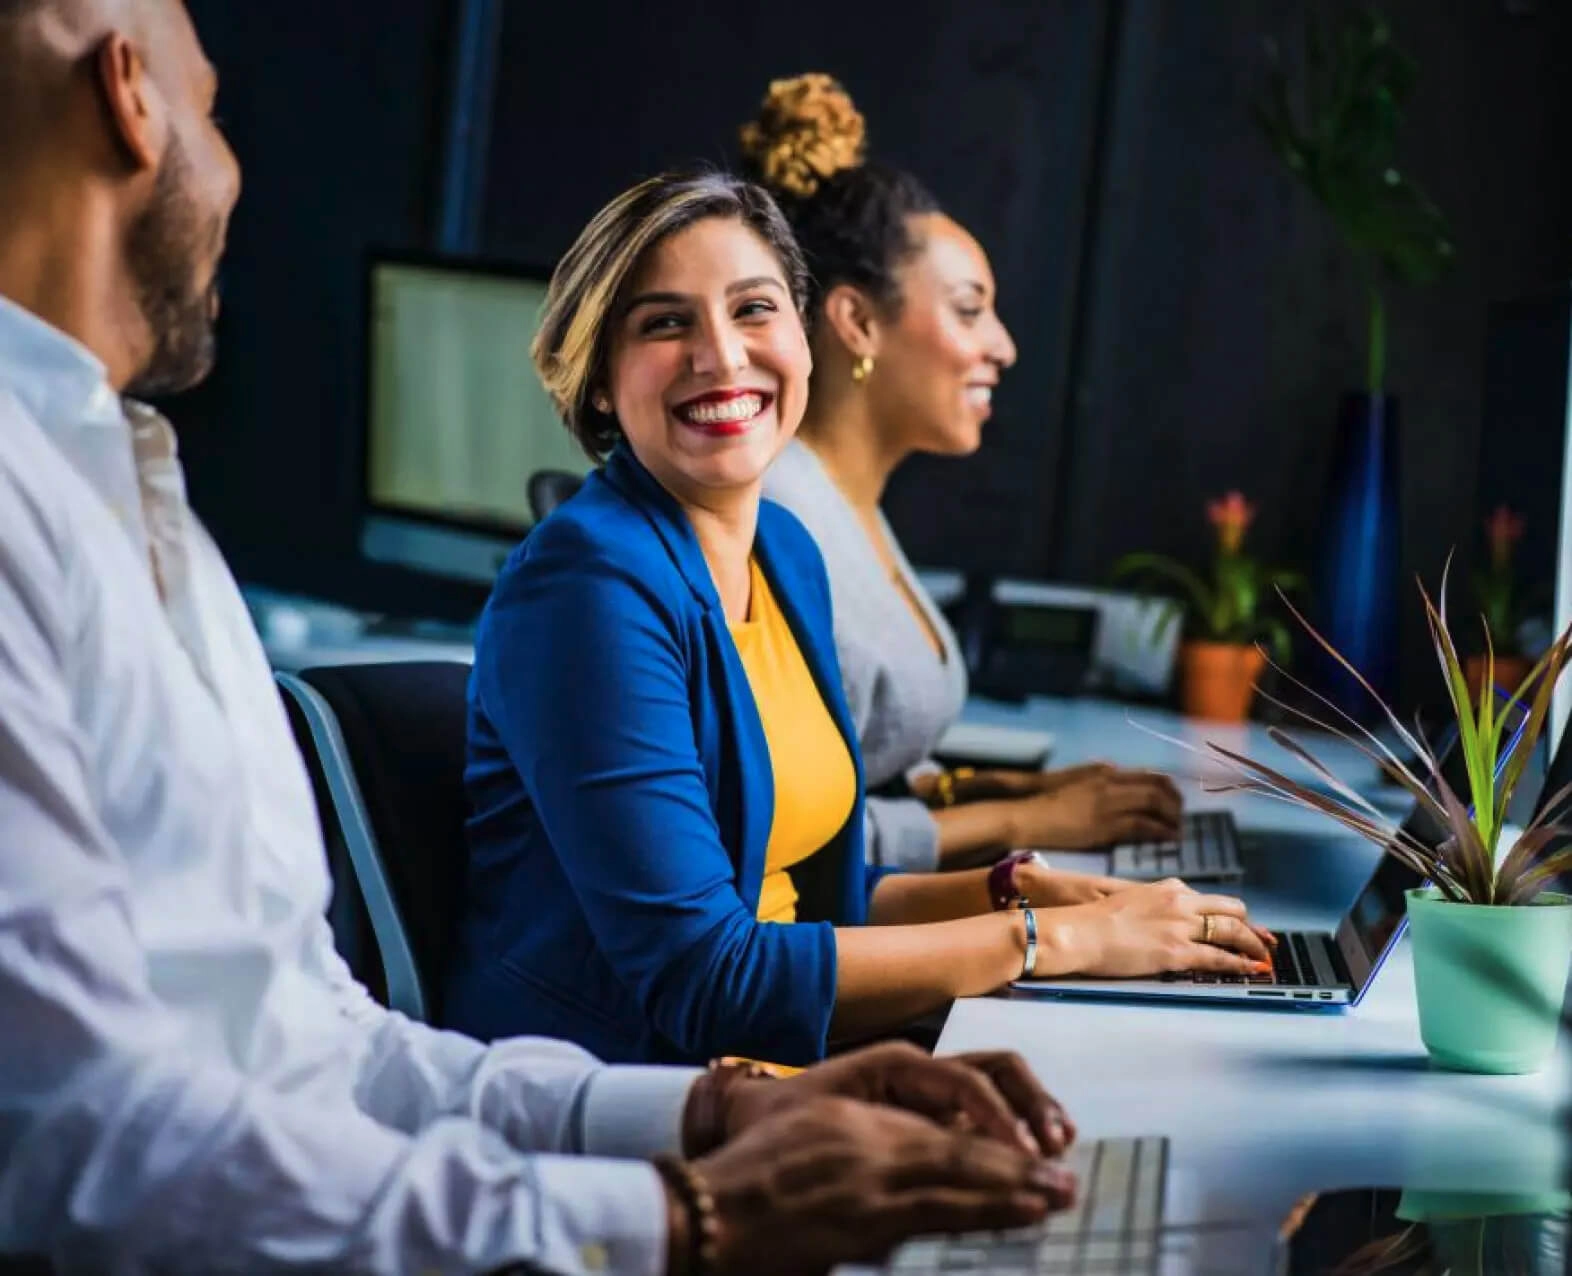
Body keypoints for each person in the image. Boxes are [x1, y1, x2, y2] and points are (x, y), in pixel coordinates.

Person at [0, 2, 1084, 1271]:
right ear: (131, 97)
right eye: (215, 109)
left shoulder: (127, 484)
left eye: (751, 310)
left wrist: (721, 1117)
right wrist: (690, 1211)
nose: (234, 171)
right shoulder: (33, 506)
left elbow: (321, 1047)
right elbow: (79, 1145)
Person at [444, 168, 1274, 1068]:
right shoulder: (585, 589)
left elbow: (815, 901)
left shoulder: (787, 553)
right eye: (664, 322)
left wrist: (1025, 896)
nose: (721, 356)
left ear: (804, 336)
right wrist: (1052, 942)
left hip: (777, 1064)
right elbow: (705, 977)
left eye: (754, 309)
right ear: (601, 382)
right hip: (623, 1096)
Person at [740, 75, 1191, 874]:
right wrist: (1026, 819)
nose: (1004, 347)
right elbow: (788, 842)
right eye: (969, 308)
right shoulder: (781, 523)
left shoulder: (849, 507)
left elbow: (862, 769)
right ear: (857, 321)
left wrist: (1006, 791)